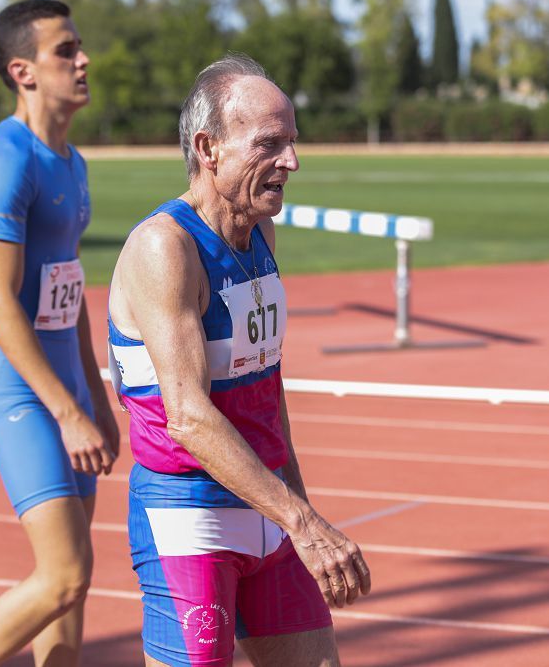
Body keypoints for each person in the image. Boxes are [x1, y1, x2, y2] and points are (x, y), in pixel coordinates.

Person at [107, 54, 371, 667]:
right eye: (269, 144)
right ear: (208, 148)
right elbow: (189, 417)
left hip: (268, 509)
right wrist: (305, 524)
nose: (292, 162)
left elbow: (265, 387)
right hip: (190, 520)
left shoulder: (259, 234)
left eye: (293, 142)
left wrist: (298, 508)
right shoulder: (164, 248)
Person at [0, 0, 119, 667]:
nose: (83, 61)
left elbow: (66, 292)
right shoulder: (6, 161)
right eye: (65, 51)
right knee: (65, 574)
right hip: (13, 388)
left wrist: (95, 398)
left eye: (80, 47)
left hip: (65, 386)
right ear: (22, 71)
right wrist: (66, 410)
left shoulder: (70, 162)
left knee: (72, 586)